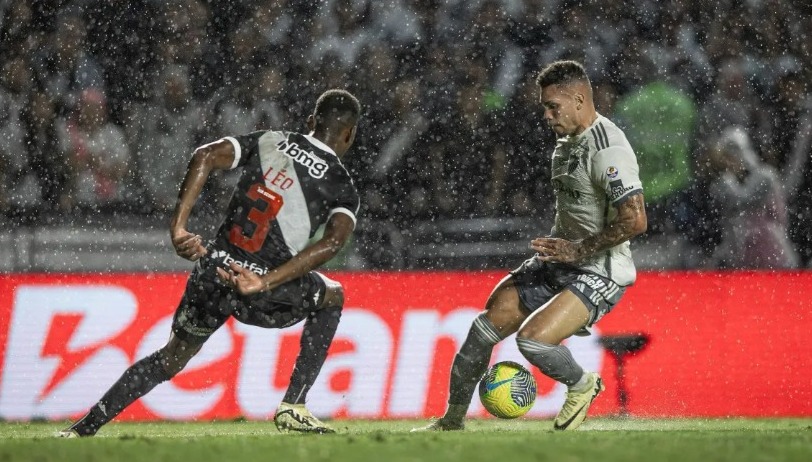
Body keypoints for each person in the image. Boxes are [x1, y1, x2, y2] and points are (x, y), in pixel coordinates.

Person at [59, 89, 362, 436]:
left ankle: (82, 429)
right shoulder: (341, 184)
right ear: (348, 134)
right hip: (259, 290)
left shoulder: (269, 140)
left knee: (170, 358)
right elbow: (334, 242)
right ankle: (294, 404)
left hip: (212, 269)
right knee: (332, 294)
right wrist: (265, 281)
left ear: (311, 122)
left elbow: (205, 155)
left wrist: (178, 227)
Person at [413, 60, 647, 432]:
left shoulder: (609, 149)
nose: (546, 114)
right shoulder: (566, 145)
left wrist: (579, 249)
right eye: (544, 106)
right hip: (561, 260)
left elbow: (635, 220)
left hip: (600, 269)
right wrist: (562, 247)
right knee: (481, 332)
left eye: (553, 106)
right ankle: (451, 420)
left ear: (579, 99)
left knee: (533, 343)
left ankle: (583, 383)